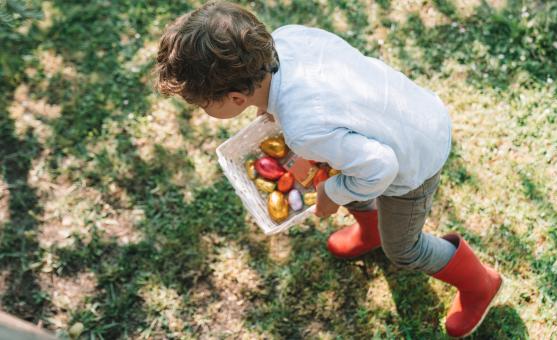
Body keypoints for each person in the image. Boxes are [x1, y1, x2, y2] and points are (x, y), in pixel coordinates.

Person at [154, 1, 502, 337]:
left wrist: (330, 193)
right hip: (409, 112)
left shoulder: (305, 131)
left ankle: (480, 284)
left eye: (202, 104)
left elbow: (382, 167)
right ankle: (371, 230)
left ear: (235, 99)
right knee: (341, 168)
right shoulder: (287, 38)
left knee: (403, 247)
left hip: (414, 161)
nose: (202, 110)